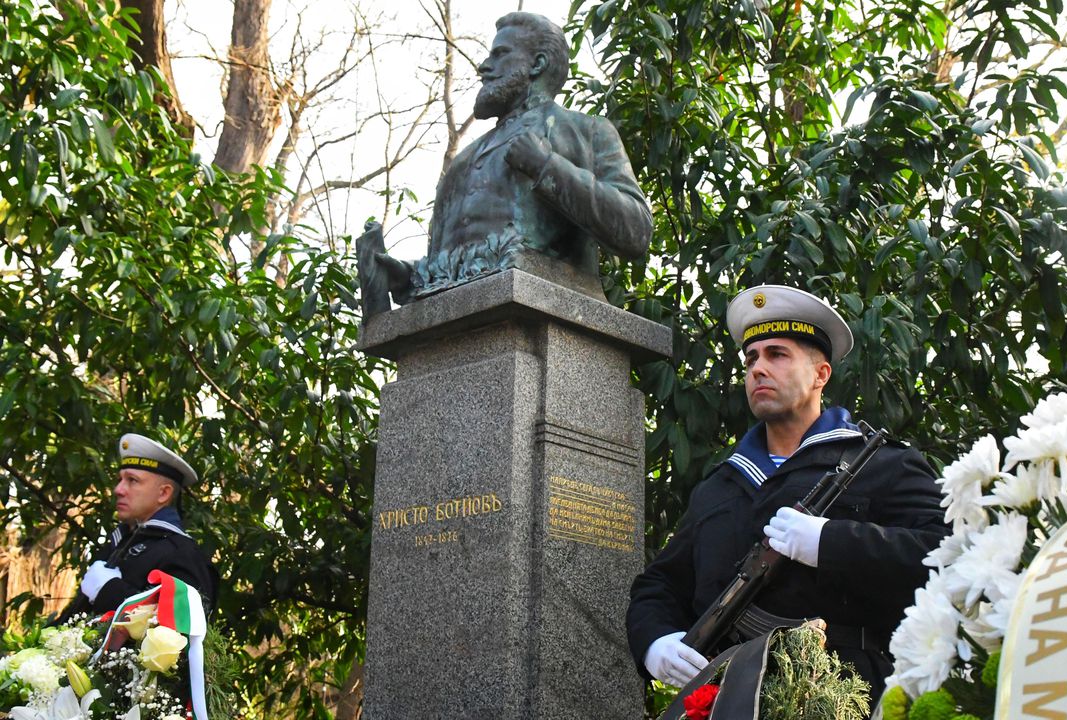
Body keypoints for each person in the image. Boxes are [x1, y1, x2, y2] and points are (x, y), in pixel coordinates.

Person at [626, 285, 947, 702]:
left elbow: (947, 554)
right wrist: (656, 642)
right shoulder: (720, 485)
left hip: (847, 697)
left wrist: (829, 542)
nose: (758, 368)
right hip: (724, 702)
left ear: (820, 375)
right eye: (751, 358)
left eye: (777, 354)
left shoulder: (882, 465)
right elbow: (660, 585)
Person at [360, 12, 652, 308]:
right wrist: (406, 275)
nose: (484, 67)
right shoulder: (462, 162)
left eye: (500, 54)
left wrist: (546, 167)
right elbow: (445, 263)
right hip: (454, 324)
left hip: (547, 311)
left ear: (537, 64)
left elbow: (636, 231)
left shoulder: (586, 132)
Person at [58, 433, 218, 622]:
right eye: (120, 479)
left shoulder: (182, 553)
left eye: (132, 480)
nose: (118, 489)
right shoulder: (119, 542)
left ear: (164, 493)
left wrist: (109, 591)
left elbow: (181, 627)